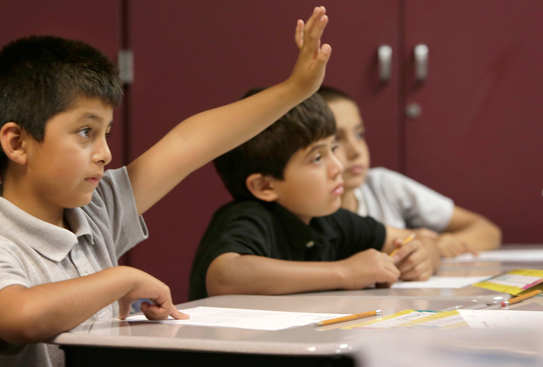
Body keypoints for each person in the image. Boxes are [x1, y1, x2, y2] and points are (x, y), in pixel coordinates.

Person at [0, 7, 332, 367]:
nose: (105, 153)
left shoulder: (93, 211)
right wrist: (122, 278)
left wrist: (295, 89)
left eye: (106, 133)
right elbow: (22, 317)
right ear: (17, 144)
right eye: (86, 132)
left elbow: (188, 143)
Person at [189, 91, 440, 301]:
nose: (337, 167)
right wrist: (344, 272)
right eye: (317, 158)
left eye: (333, 149)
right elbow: (225, 276)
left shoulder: (328, 220)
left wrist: (419, 257)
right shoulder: (248, 217)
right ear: (265, 186)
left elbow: (414, 240)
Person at [317, 86, 502, 257]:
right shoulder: (308, 215)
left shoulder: (382, 185)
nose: (355, 151)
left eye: (359, 134)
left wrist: (433, 248)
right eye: (336, 140)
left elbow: (488, 231)